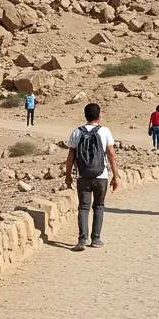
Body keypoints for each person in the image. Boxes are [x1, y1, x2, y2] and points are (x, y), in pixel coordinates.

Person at [66, 102, 120, 249]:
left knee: (84, 207)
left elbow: (70, 157)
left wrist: (68, 175)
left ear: (85, 115)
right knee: (99, 206)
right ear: (99, 116)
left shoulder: (77, 132)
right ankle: (96, 239)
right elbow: (111, 155)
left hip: (83, 176)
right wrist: (115, 175)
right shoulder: (105, 131)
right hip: (101, 175)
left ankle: (82, 239)